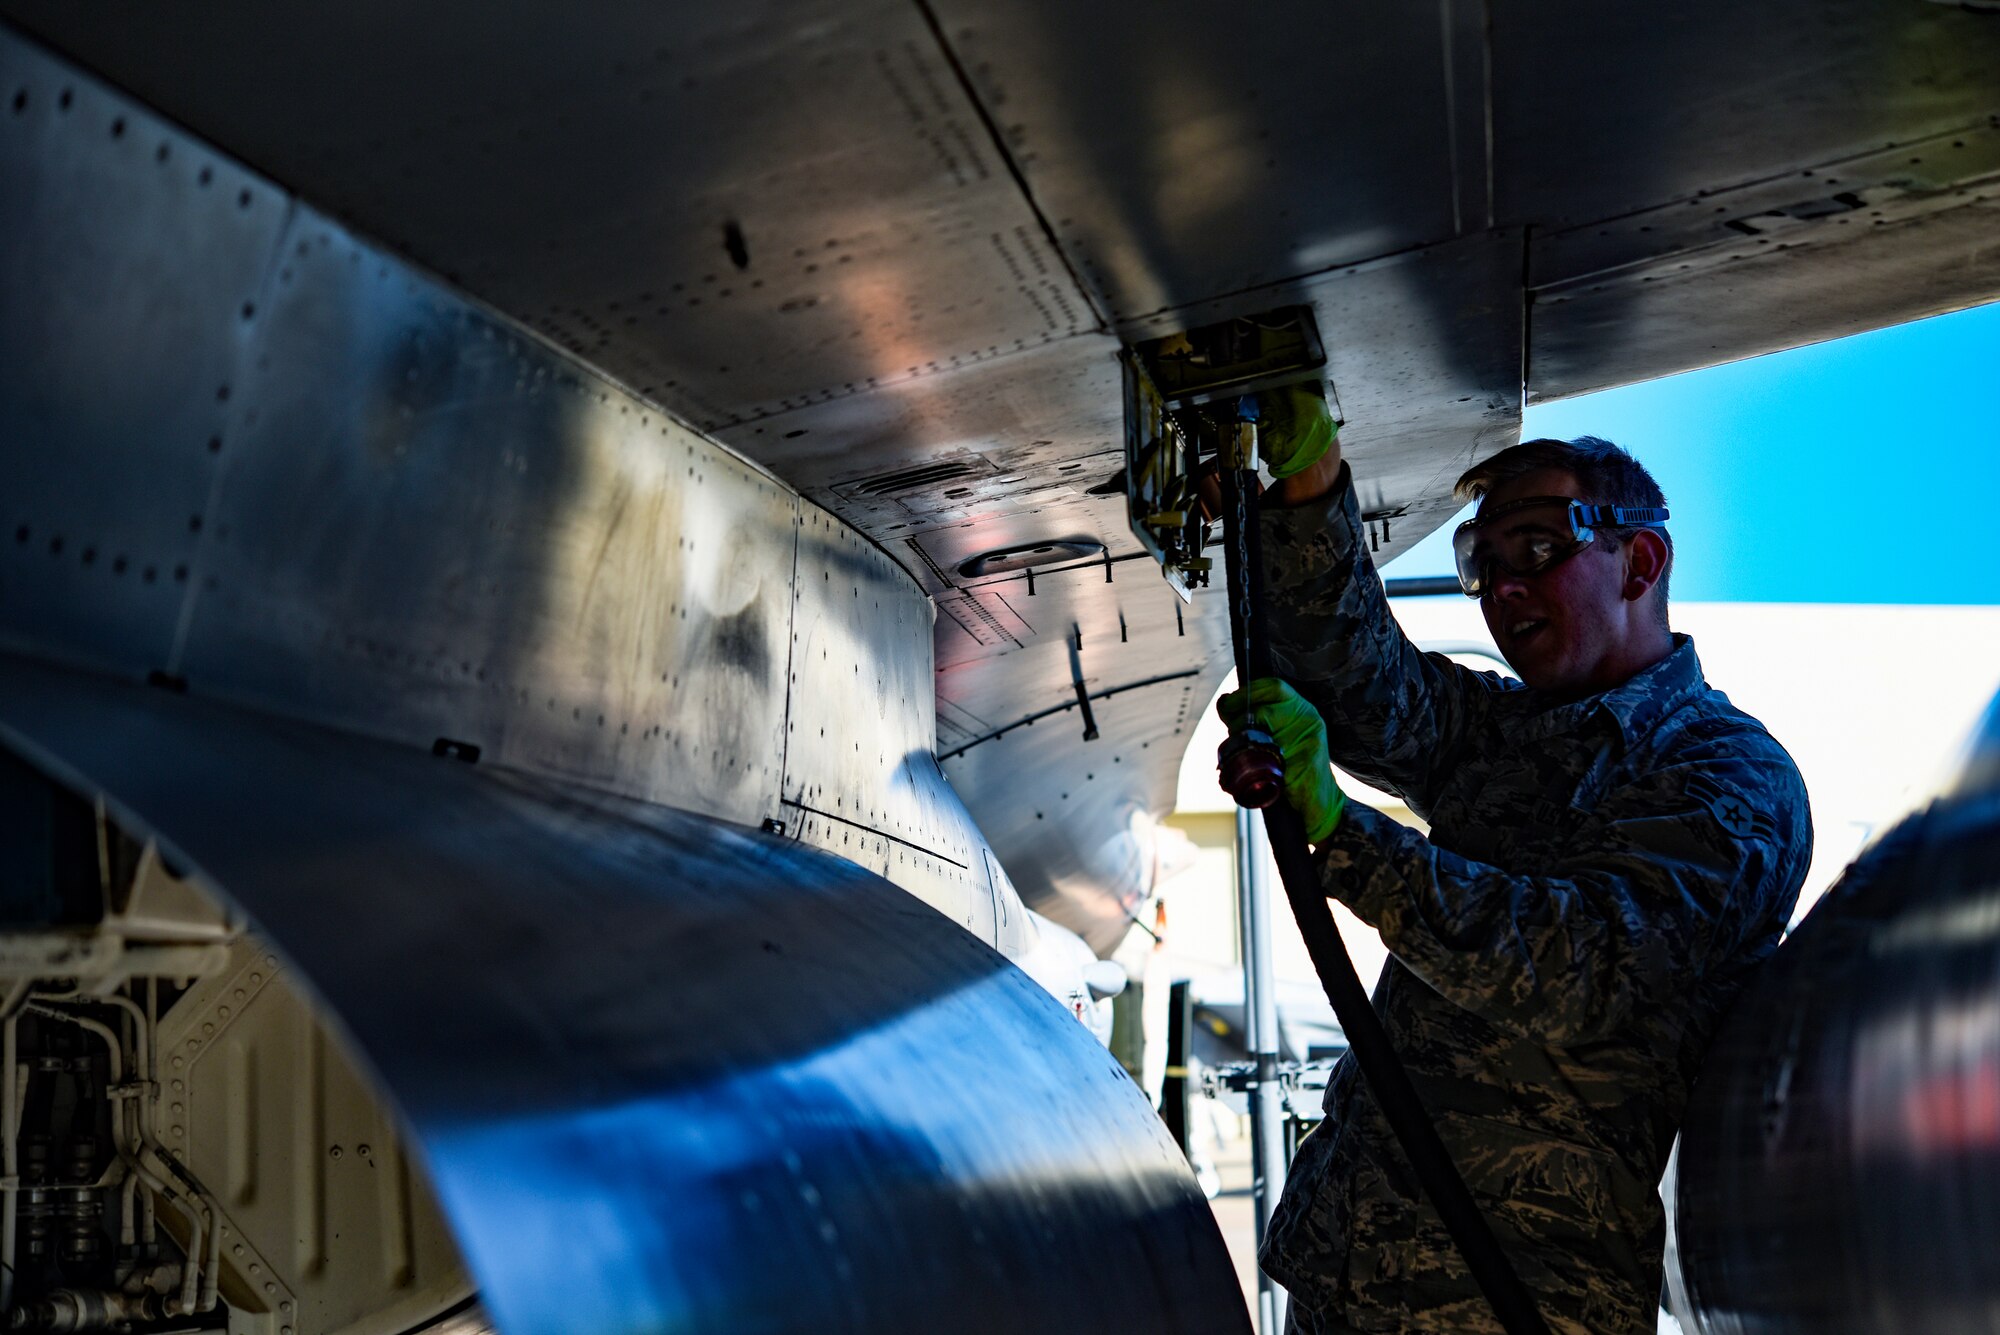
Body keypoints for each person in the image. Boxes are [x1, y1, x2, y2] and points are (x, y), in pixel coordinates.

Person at [1221, 391, 1811, 1334]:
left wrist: (1342, 833)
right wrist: (1311, 484)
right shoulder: (1507, 733)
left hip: (1512, 1301)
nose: (1502, 587)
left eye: (1536, 548)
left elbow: (1571, 961)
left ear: (1642, 560)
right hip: (1350, 1273)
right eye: (1480, 564)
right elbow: (1363, 685)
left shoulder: (1730, 778)